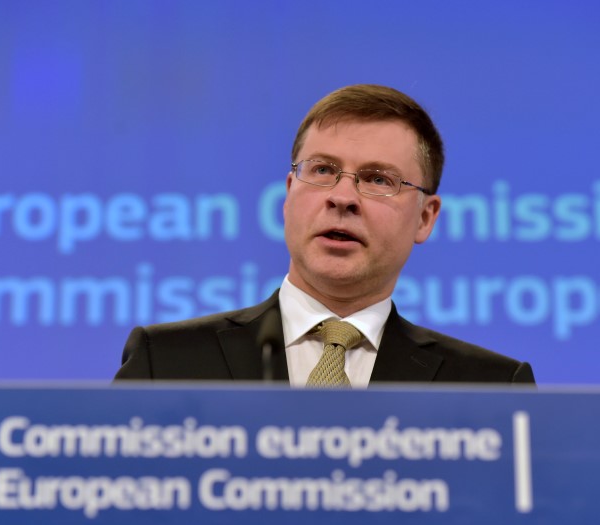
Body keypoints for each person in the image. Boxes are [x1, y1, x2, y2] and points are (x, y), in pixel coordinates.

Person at [115, 84, 534, 386]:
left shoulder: (490, 388)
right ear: (288, 194)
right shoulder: (166, 362)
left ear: (425, 217)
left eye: (377, 179)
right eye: (322, 170)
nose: (343, 197)